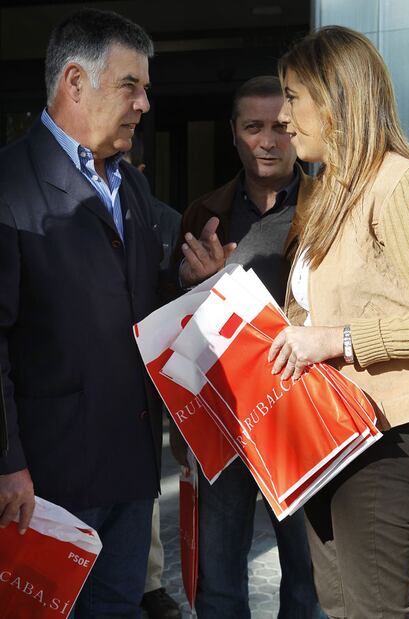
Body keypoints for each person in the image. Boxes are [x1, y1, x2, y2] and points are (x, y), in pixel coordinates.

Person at [0, 8, 164, 618]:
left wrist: (189, 280)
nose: (144, 103)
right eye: (131, 85)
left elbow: (135, 299)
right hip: (47, 479)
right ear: (75, 82)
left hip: (131, 464)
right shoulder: (10, 183)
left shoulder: (134, 188)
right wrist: (7, 461)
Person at [267, 25, 409, 619]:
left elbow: (340, 329)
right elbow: (313, 313)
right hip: (324, 436)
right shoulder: (326, 192)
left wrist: (340, 341)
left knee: (372, 610)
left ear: (337, 99)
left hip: (383, 438)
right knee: (339, 604)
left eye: (293, 96)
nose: (282, 116)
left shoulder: (397, 184)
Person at [171, 76, 325, 618]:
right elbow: (176, 331)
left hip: (302, 421)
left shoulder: (328, 209)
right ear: (234, 134)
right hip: (227, 418)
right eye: (253, 127)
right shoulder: (204, 215)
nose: (268, 140)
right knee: (219, 581)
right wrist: (204, 288)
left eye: (281, 127)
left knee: (308, 586)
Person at [125, 134, 182, 619]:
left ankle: (149, 583)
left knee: (144, 485)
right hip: (97, 375)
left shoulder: (165, 220)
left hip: (145, 379)